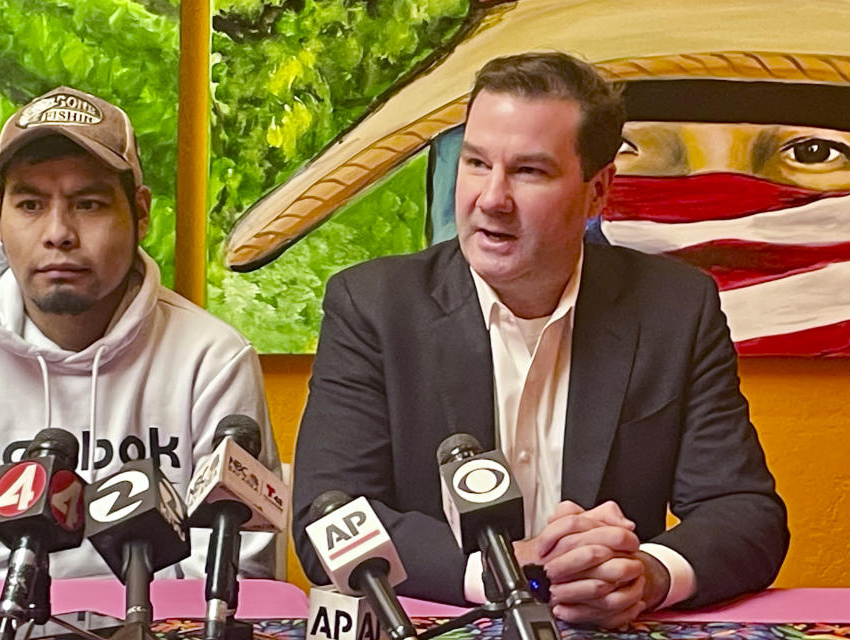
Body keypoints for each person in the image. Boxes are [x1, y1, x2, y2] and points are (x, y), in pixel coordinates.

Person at [292, 52, 788, 626]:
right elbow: (325, 520)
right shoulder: (374, 307)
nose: (491, 198)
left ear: (597, 190)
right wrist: (505, 572)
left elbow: (746, 513)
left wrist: (646, 575)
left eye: (529, 171)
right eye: (477, 163)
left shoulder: (674, 309)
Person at [0, 87, 280, 579]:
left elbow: (237, 569)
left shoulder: (212, 361)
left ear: (141, 213)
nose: (58, 232)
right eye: (30, 204)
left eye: (87, 204)